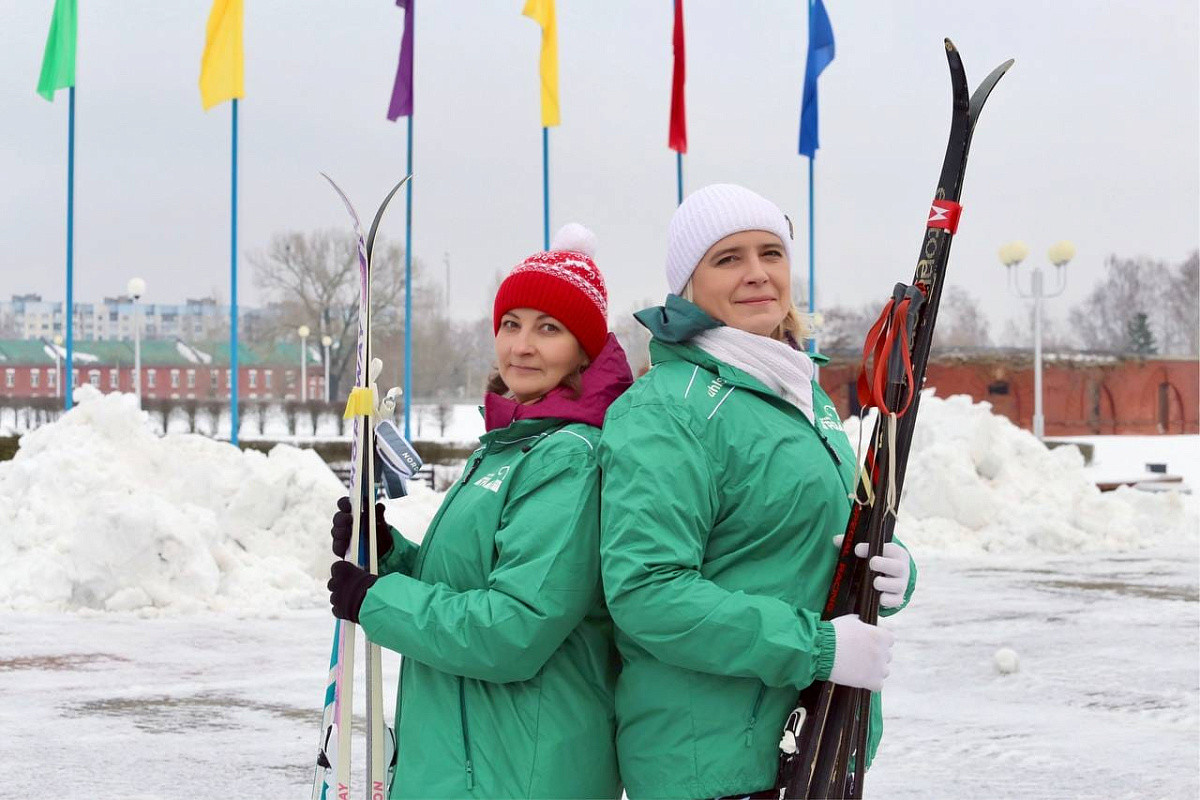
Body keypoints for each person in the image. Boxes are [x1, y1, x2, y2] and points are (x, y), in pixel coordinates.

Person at [597, 184, 918, 799]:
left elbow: (808, 541)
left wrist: (892, 568)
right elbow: (648, 591)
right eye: (728, 258)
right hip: (712, 765)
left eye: (771, 253)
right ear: (687, 284)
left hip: (816, 744)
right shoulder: (665, 409)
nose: (756, 274)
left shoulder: (800, 394)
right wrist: (820, 648)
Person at [327, 223, 631, 799]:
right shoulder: (513, 444)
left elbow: (513, 629)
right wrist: (392, 557)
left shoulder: (568, 457)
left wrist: (376, 600)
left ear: (583, 349)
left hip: (517, 771)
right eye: (511, 324)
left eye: (549, 328)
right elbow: (468, 583)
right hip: (468, 758)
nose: (522, 345)